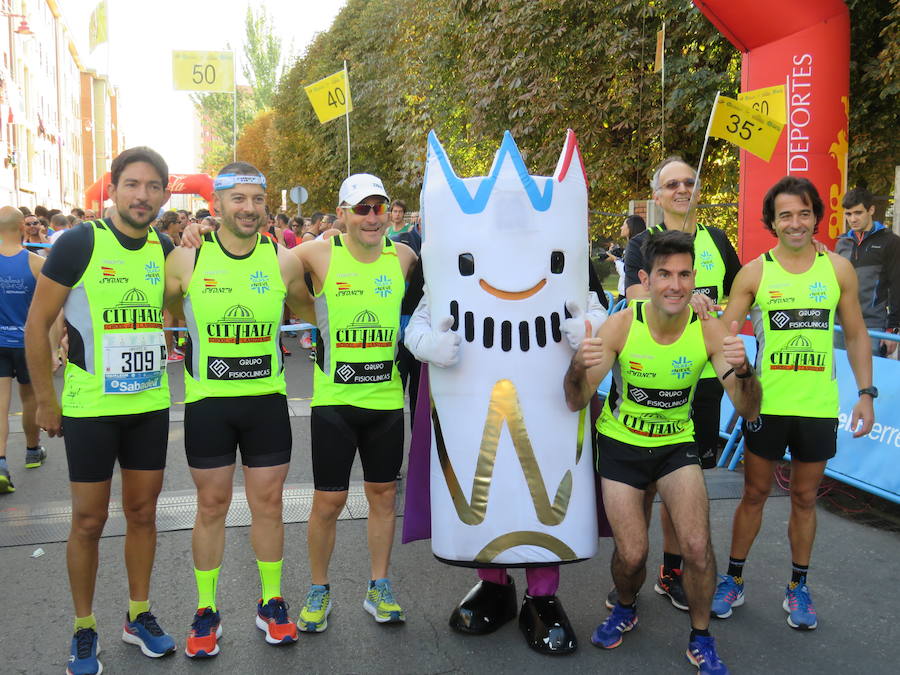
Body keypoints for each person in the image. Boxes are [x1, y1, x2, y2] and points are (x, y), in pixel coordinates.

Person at [565, 230, 760, 674]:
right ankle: (626, 605)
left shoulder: (709, 328)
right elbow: (576, 400)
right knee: (631, 554)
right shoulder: (621, 323)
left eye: (684, 274)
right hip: (621, 447)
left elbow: (748, 409)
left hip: (675, 446)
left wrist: (744, 370)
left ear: (695, 279)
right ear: (646, 279)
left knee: (696, 545)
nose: (675, 284)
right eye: (664, 274)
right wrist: (578, 364)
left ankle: (701, 636)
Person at [25, 147, 178, 675]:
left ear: (164, 193)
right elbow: (37, 324)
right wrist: (46, 399)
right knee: (88, 521)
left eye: (153, 186)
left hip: (149, 404)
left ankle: (138, 615)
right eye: (133, 184)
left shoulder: (164, 246)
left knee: (142, 514)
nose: (143, 195)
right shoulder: (78, 242)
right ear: (113, 189)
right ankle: (83, 627)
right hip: (91, 407)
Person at [712, 176, 875, 630]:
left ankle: (797, 588)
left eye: (804, 213)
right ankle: (734, 580)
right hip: (767, 405)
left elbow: (858, 333)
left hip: (818, 406)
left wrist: (866, 394)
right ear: (772, 222)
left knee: (804, 498)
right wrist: (724, 340)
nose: (796, 222)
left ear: (817, 217)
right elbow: (725, 330)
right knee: (755, 494)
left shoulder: (837, 269)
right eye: (786, 214)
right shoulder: (755, 272)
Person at [166, 162, 314, 657]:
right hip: (209, 404)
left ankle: (271, 601)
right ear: (218, 204)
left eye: (257, 199)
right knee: (211, 507)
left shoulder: (283, 259)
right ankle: (205, 608)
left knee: (268, 505)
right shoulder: (187, 259)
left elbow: (311, 309)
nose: (249, 208)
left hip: (267, 403)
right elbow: (168, 312)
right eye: (239, 199)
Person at [291, 173, 418, 631]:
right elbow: (266, 270)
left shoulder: (403, 256)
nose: (371, 217)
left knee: (383, 496)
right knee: (329, 501)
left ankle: (378, 586)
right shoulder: (316, 253)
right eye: (361, 209)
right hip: (334, 403)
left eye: (378, 208)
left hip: (385, 401)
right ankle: (318, 589)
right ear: (342, 213)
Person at [616, 156, 742, 613]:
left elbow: (745, 286)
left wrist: (722, 324)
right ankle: (634, 566)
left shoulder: (717, 239)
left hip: (703, 380)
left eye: (690, 182)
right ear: (657, 194)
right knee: (645, 485)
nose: (682, 189)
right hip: (649, 374)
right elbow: (631, 293)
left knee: (684, 484)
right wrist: (686, 294)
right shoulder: (643, 243)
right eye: (672, 184)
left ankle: (671, 571)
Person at [0, 206, 49, 493]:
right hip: (25, 343)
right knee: (29, 398)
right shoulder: (35, 263)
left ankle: (1, 462)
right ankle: (32, 449)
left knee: (1, 405)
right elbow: (48, 311)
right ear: (22, 226)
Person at [834, 186, 900, 357]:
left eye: (858, 213)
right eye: (848, 214)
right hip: (838, 326)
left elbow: (897, 287)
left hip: (871, 326)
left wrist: (892, 329)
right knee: (839, 380)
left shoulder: (891, 242)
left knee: (868, 381)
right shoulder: (842, 242)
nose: (853, 219)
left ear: (871, 210)